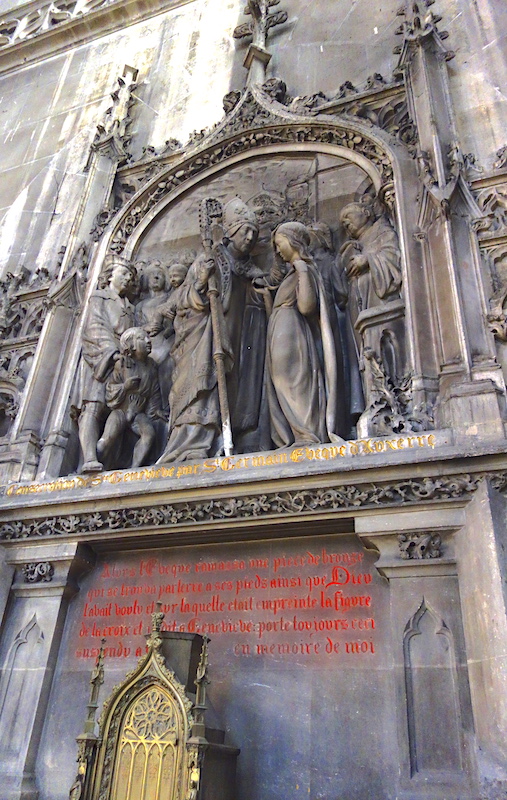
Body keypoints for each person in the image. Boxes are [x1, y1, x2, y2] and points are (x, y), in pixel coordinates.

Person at [266, 221, 345, 447]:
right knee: (282, 382)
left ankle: (306, 433)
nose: (278, 250)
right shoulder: (294, 271)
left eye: (280, 244)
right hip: (281, 329)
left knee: (292, 381)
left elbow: (307, 306)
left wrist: (301, 271)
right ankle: (298, 434)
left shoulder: (303, 268)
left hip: (291, 332)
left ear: (293, 241)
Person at [149, 258, 233, 463]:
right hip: (185, 351)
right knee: (180, 394)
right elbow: (166, 310)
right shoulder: (184, 292)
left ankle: (200, 443)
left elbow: (210, 305)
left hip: (205, 348)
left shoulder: (211, 294)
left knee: (204, 391)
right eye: (201, 268)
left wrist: (205, 285)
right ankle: (179, 445)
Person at [214, 197, 269, 452]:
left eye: (253, 233)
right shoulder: (214, 258)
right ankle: (215, 432)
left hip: (244, 331)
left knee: (240, 375)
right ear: (231, 231)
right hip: (217, 328)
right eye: (244, 231)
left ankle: (237, 429)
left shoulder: (251, 268)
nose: (249, 237)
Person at [78, 256, 137, 473]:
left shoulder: (130, 307)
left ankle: (107, 454)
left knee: (120, 410)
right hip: (100, 361)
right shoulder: (99, 298)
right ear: (110, 275)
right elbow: (94, 326)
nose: (127, 279)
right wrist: (112, 352)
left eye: (130, 276)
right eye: (124, 274)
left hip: (123, 363)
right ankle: (89, 458)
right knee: (93, 406)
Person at [97, 327, 165, 468]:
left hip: (138, 414)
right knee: (106, 441)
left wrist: (156, 409)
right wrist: (125, 387)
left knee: (149, 435)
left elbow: (154, 391)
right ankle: (93, 465)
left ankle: (134, 469)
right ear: (131, 345)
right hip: (120, 411)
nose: (148, 341)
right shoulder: (123, 364)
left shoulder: (152, 366)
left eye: (148, 337)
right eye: (141, 338)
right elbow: (110, 389)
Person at [339, 200, 402, 316]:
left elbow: (393, 255)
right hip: (359, 303)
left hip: (379, 299)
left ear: (366, 212)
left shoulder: (382, 230)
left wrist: (368, 260)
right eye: (343, 222)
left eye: (347, 216)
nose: (345, 223)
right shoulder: (352, 245)